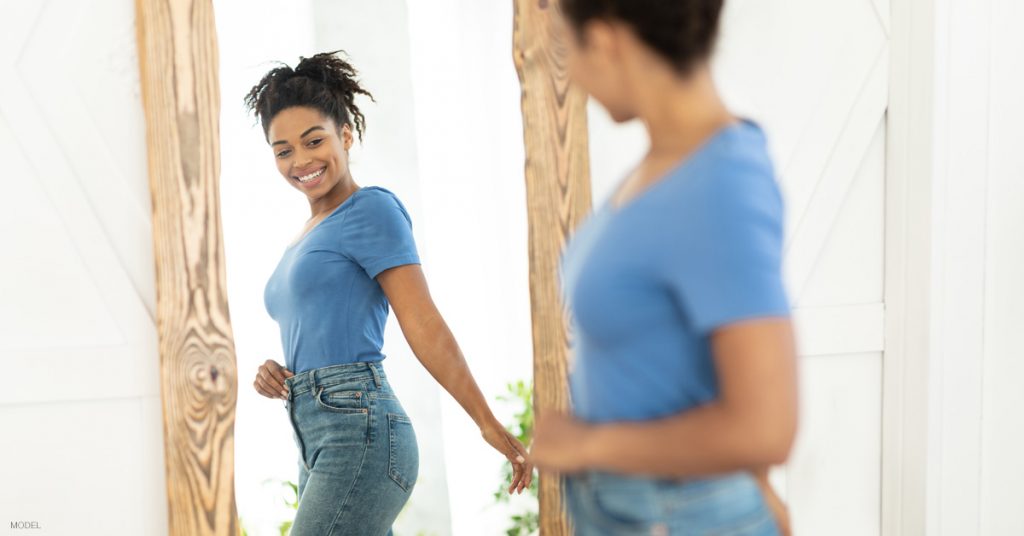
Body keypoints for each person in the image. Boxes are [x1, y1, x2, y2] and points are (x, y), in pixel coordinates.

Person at [528, 1, 797, 534]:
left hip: (674, 514)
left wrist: (586, 445)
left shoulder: (719, 184)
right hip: (646, 508)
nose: (573, 73)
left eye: (567, 47)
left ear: (604, 42)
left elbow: (768, 426)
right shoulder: (668, 165)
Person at [245, 51, 532, 536]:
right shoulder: (307, 233)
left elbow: (422, 322)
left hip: (358, 429)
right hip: (312, 431)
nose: (301, 161)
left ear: (346, 135)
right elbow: (319, 325)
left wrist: (485, 421)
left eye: (314, 141)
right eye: (283, 150)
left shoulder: (371, 210)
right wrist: (275, 373)